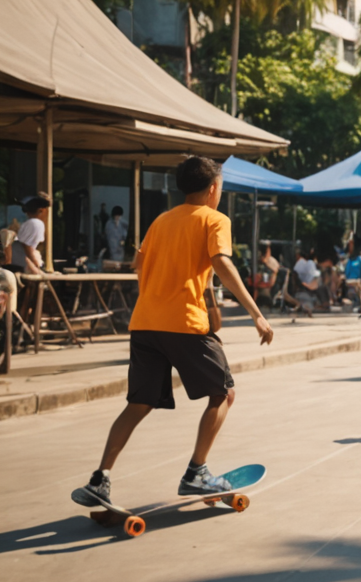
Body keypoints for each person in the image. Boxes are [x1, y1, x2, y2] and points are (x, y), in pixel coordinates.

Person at [71, 155, 274, 509]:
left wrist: (176, 291)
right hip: (184, 323)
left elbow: (140, 263)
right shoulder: (215, 219)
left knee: (139, 403)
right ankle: (196, 472)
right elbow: (221, 263)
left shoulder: (161, 221)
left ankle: (100, 478)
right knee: (223, 394)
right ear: (214, 188)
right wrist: (256, 313)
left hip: (146, 323)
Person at [10, 193, 51, 274]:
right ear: (41, 211)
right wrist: (35, 264)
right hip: (24, 264)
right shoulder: (36, 223)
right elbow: (27, 246)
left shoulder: (28, 223)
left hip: (18, 262)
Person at [292, 248, 323, 314]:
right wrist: (305, 285)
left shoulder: (305, 263)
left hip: (306, 291)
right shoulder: (305, 263)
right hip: (305, 291)